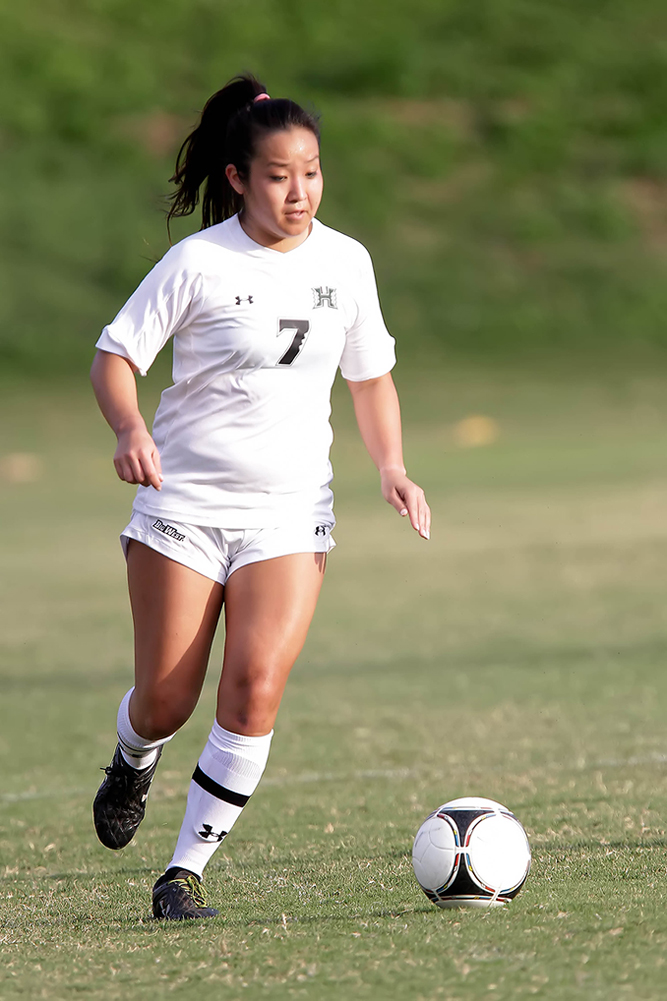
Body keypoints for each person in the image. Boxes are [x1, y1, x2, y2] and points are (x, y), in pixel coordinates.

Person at [90, 73, 431, 921]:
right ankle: (134, 756)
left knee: (254, 687)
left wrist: (390, 463)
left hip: (287, 511)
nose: (300, 191)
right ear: (239, 177)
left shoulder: (346, 260)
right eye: (279, 175)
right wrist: (130, 429)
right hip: (185, 508)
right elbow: (115, 357)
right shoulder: (198, 261)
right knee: (168, 698)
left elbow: (371, 376)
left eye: (311, 171)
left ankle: (183, 874)